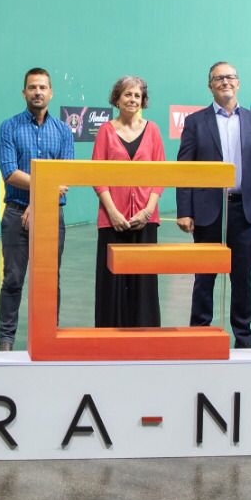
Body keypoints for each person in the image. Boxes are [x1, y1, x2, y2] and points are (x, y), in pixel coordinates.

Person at [175, 61, 251, 348]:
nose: (225, 82)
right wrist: (184, 210)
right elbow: (185, 169)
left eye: (230, 77)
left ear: (238, 83)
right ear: (210, 86)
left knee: (242, 277)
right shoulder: (195, 122)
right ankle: (199, 334)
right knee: (204, 276)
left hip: (244, 211)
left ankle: (244, 338)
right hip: (208, 211)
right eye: (218, 78)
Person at [0, 67, 75, 350]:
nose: (37, 92)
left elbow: (64, 178)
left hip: (51, 215)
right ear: (24, 92)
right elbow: (10, 173)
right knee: (12, 279)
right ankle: (6, 342)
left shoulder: (63, 131)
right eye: (32, 87)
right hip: (16, 214)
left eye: (42, 87)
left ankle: (48, 339)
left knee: (50, 280)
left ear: (51, 93)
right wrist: (42, 191)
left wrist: (39, 202)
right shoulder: (8, 127)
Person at [91, 75, 166, 328]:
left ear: (143, 100)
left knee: (144, 282)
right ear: (117, 99)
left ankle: (144, 337)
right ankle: (110, 337)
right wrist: (112, 212)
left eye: (137, 95)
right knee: (111, 282)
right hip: (112, 220)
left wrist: (147, 211)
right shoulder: (105, 131)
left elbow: (161, 174)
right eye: (127, 94)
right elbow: (97, 175)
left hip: (146, 219)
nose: (132, 99)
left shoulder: (153, 130)